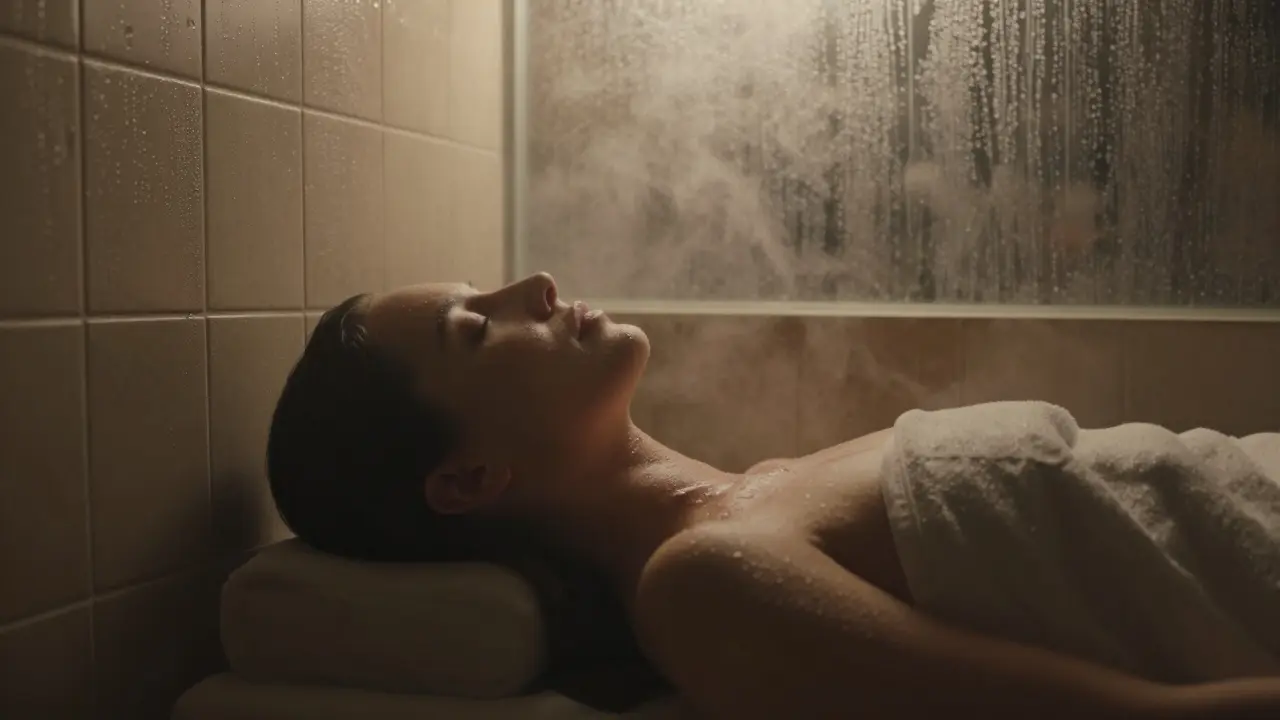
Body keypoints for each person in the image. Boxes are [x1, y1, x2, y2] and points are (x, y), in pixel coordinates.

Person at [267, 272, 1280, 719]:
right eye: (473, 330)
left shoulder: (754, 494)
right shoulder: (699, 586)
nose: (529, 285)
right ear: (469, 480)